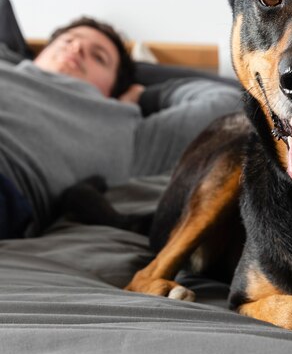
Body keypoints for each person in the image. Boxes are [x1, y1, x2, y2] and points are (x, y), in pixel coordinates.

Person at [0, 16, 242, 239]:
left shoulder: (128, 129)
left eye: (98, 57)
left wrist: (145, 95)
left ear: (113, 87)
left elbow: (227, 101)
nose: (76, 48)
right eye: (68, 40)